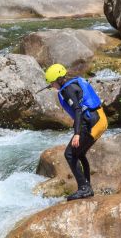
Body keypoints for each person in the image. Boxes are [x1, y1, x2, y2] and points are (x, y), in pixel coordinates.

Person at [45, 63, 108, 201]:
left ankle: (84, 188)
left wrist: (77, 133)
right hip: (99, 119)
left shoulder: (67, 90)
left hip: (91, 122)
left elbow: (78, 110)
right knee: (79, 153)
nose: (52, 86)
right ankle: (87, 187)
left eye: (52, 83)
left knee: (69, 154)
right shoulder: (71, 84)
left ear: (58, 79)